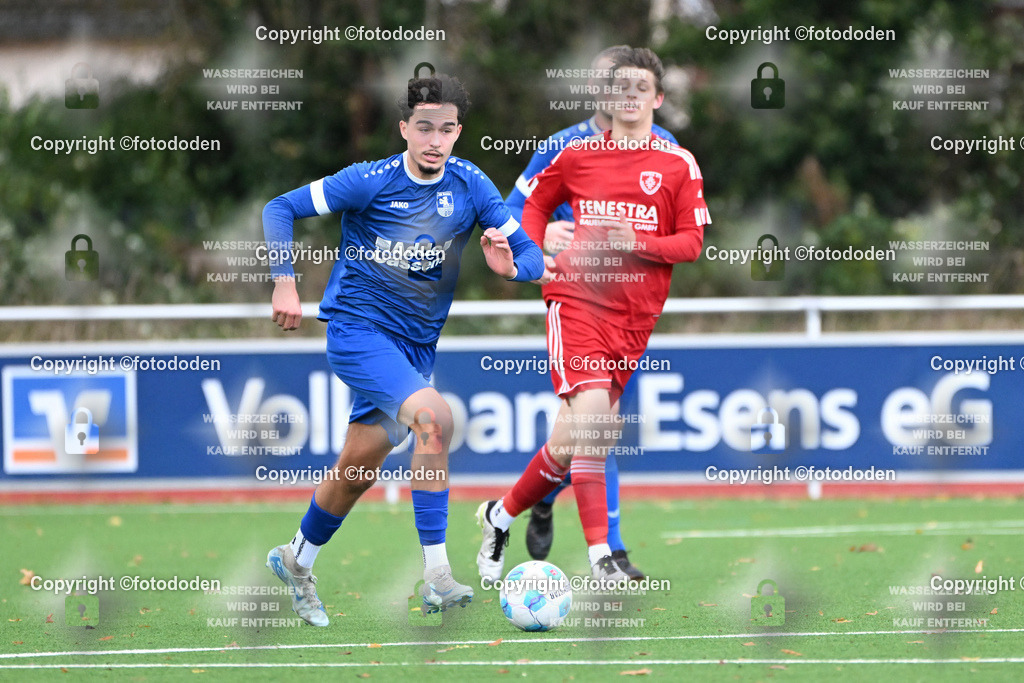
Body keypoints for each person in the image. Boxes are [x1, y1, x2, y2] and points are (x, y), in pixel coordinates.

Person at [262, 72, 544, 626]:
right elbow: (279, 208)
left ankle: (297, 559)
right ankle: (437, 573)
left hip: (415, 351)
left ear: (458, 132)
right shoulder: (369, 180)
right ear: (404, 130)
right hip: (358, 331)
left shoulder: (471, 186)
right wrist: (284, 279)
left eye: (446, 129)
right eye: (424, 128)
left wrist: (514, 268)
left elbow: (531, 254)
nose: (434, 140)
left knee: (356, 469)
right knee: (434, 419)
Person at [477, 47, 709, 583]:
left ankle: (502, 513)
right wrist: (537, 245)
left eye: (638, 86)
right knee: (599, 428)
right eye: (615, 84)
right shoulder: (569, 149)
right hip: (576, 299)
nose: (627, 95)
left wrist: (641, 242)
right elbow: (522, 207)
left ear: (658, 97)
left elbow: (691, 243)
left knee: (569, 444)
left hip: (635, 317)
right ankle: (604, 555)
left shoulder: (675, 157)